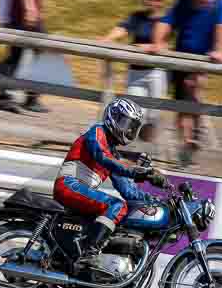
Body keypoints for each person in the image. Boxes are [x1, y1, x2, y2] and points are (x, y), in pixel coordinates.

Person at [53, 98, 166, 266]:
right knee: (117, 206)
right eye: (124, 123)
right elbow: (103, 157)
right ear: (112, 117)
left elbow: (128, 190)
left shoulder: (113, 153)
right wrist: (137, 171)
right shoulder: (96, 132)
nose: (127, 129)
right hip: (70, 185)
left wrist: (155, 201)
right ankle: (89, 253)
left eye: (132, 126)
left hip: (80, 190)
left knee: (122, 208)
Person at [150, 0, 222, 167]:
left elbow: (221, 29)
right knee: (180, 106)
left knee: (193, 85)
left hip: (203, 59)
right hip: (181, 57)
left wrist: (219, 50)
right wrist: (157, 43)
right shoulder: (183, 4)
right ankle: (186, 146)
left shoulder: (219, 5)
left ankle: (197, 126)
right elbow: (165, 23)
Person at [101, 0, 168, 143]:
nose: (152, 2)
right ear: (144, 0)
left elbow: (163, 45)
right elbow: (122, 29)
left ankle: (147, 148)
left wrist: (147, 47)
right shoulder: (137, 17)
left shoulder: (165, 20)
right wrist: (107, 39)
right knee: (133, 113)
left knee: (153, 115)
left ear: (162, 2)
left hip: (155, 72)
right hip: (135, 71)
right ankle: (131, 148)